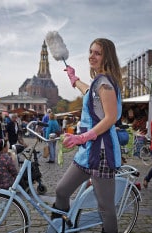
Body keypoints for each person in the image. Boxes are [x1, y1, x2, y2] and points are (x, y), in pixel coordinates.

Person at [55, 38, 123, 233]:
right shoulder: (99, 81)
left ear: (106, 57)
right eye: (91, 51)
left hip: (101, 153)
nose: (91, 56)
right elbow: (89, 93)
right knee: (61, 190)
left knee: (106, 208)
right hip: (87, 152)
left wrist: (82, 137)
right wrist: (74, 80)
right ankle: (63, 227)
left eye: (97, 53)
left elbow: (110, 118)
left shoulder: (105, 82)